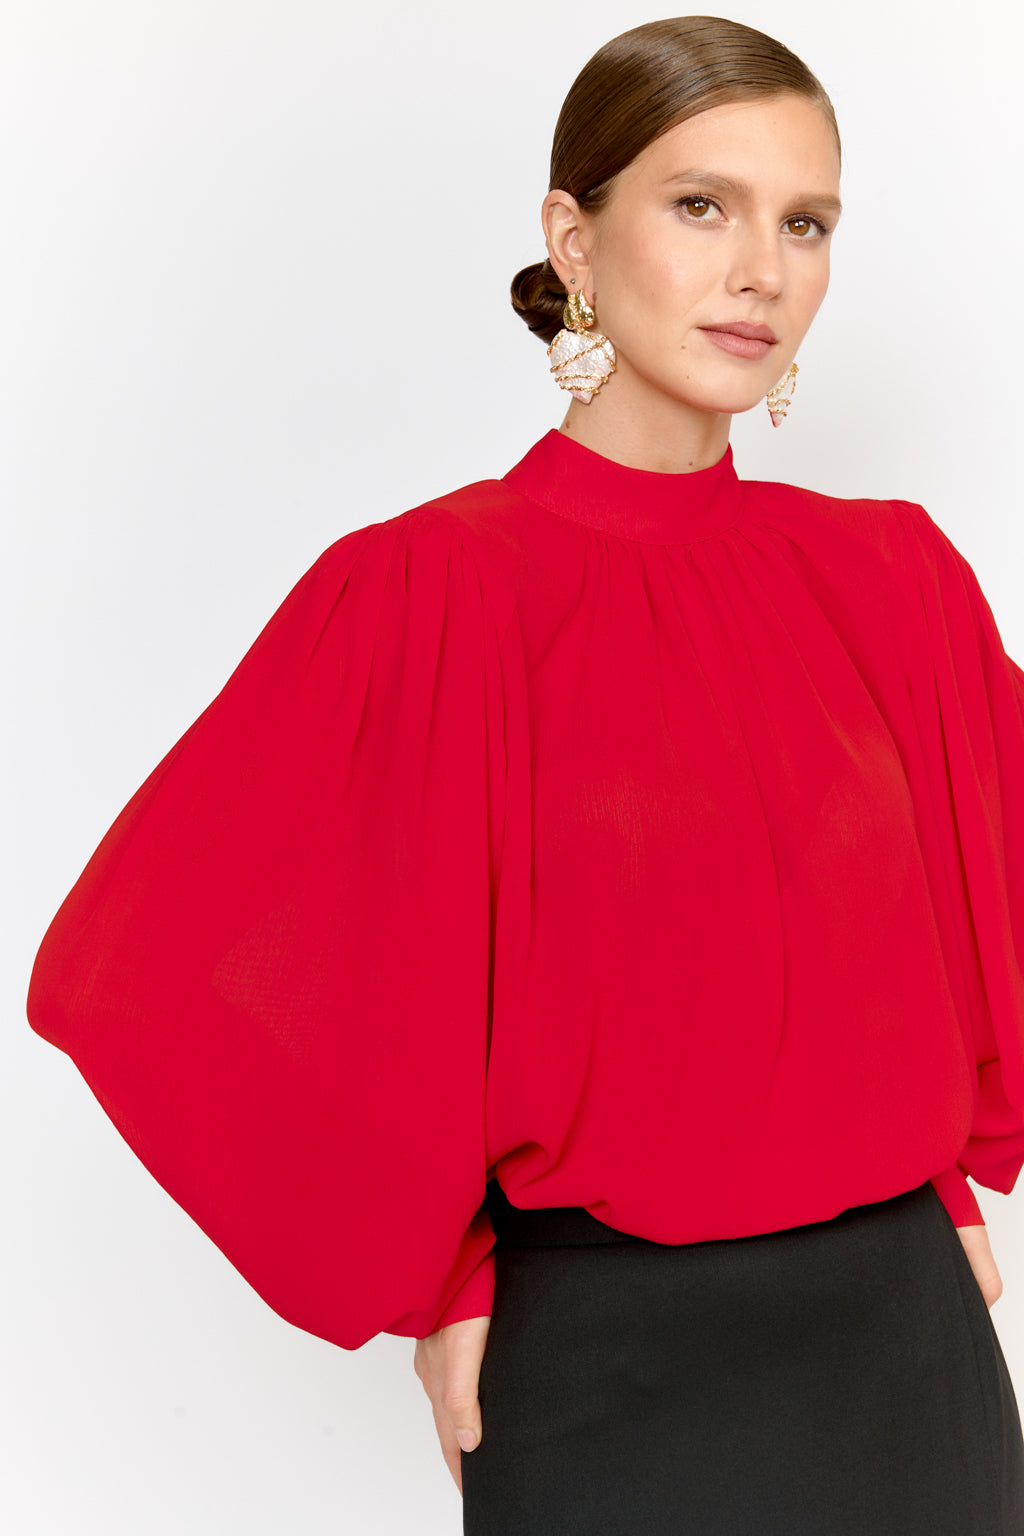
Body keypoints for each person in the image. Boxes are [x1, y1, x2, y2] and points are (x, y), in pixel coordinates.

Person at [26, 14, 1024, 1534]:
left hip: (902, 1345)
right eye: (703, 205)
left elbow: (946, 926)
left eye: (804, 223)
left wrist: (936, 1174)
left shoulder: (892, 582)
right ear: (574, 238)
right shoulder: (433, 594)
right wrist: (436, 1273)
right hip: (607, 1365)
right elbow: (147, 968)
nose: (762, 269)